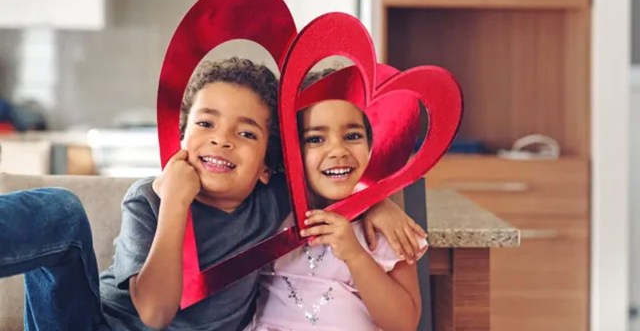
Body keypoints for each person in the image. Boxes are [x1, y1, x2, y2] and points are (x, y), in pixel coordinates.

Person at [0, 58, 425, 331]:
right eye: (206, 124)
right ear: (180, 139)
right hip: (90, 323)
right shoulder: (150, 199)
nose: (222, 141)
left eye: (245, 133)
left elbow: (328, 177)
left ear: (267, 167)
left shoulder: (275, 202)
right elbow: (151, 312)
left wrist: (376, 200)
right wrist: (175, 203)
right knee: (60, 211)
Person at [251, 71, 427, 331]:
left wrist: (355, 254)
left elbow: (404, 324)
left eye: (352, 136)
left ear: (372, 145)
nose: (338, 151)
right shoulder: (269, 214)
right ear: (289, 150)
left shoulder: (384, 231)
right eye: (315, 139)